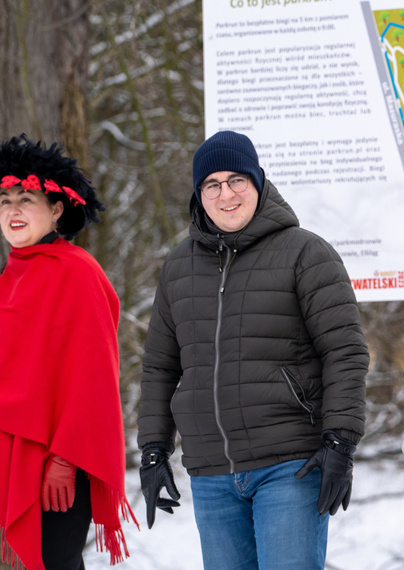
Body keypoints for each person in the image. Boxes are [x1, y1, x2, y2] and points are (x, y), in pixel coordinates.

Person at [137, 130, 369, 569]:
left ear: (258, 182)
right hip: (210, 472)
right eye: (212, 184)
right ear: (199, 194)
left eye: (236, 180)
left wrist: (340, 441)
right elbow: (160, 367)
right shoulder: (178, 267)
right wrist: (153, 449)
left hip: (290, 466)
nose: (226, 194)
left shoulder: (306, 253)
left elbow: (345, 351)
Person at [0, 135, 135, 569]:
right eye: (4, 200)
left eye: (26, 199)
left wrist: (62, 460)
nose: (13, 211)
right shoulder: (9, 276)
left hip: (58, 459)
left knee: (57, 563)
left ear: (57, 209)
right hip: (10, 451)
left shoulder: (77, 272)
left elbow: (93, 374)